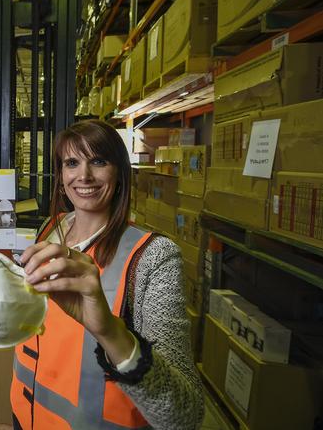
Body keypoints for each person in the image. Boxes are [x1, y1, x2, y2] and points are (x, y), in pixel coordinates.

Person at [11, 120, 204, 430]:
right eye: (72, 163)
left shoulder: (153, 257)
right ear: (61, 176)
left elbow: (184, 417)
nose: (84, 175)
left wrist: (111, 332)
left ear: (119, 172)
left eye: (98, 161)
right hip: (25, 416)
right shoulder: (52, 228)